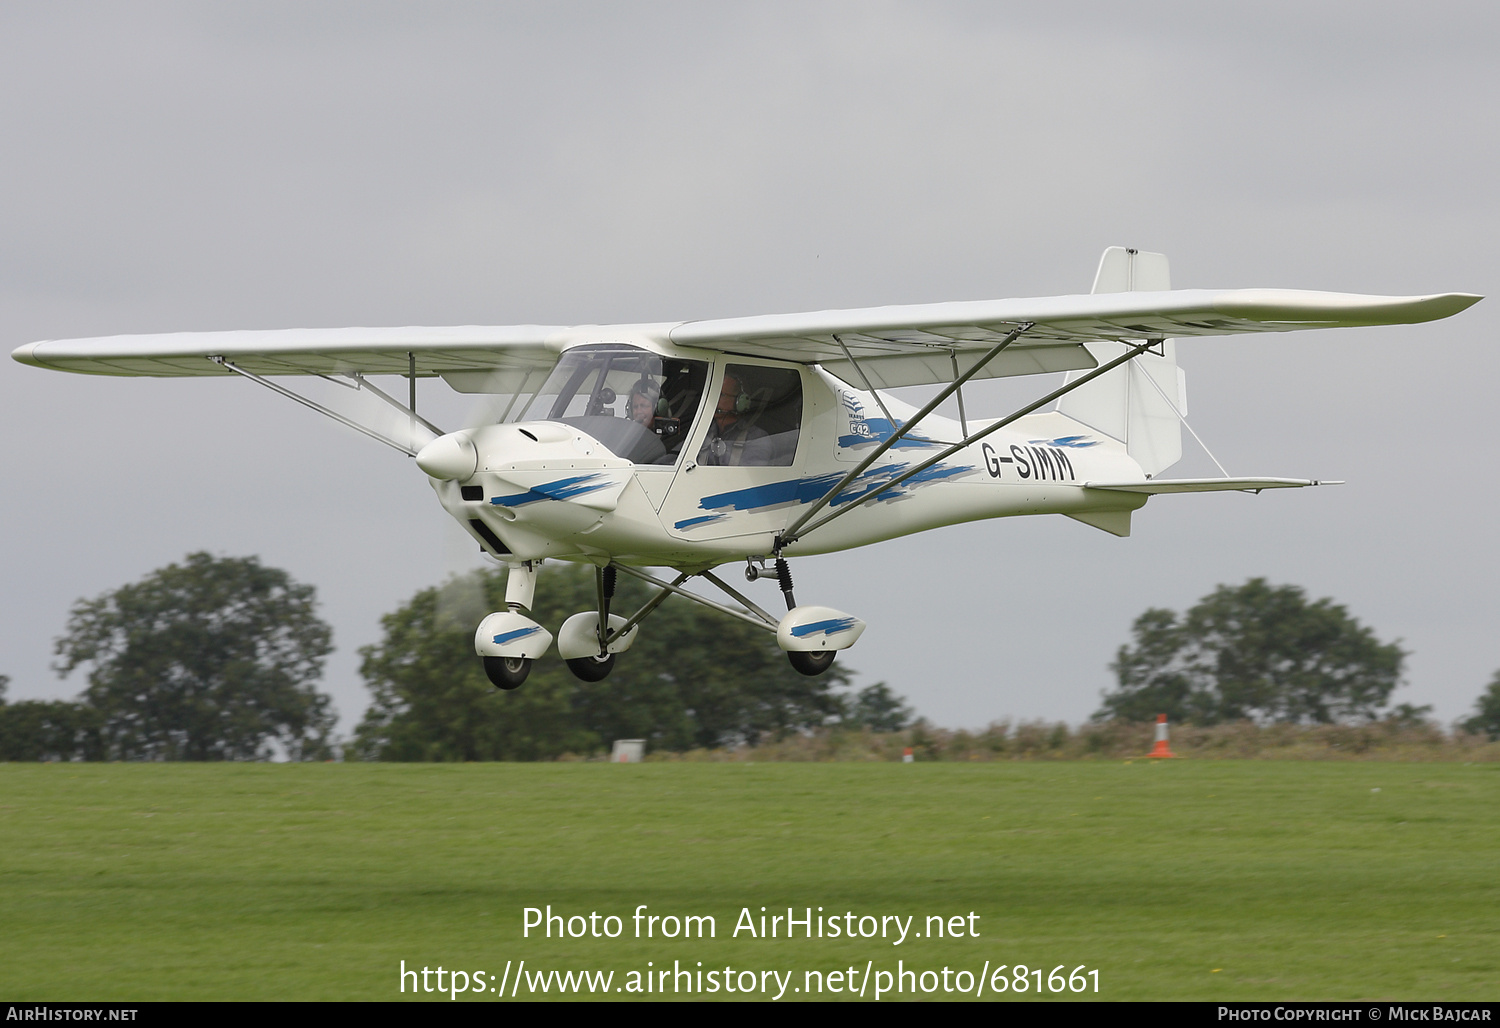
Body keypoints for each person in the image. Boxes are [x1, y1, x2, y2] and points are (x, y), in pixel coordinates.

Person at [697, 372, 772, 466]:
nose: (713, 400)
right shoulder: (700, 432)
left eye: (721, 395)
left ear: (740, 401)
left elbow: (748, 476)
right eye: (712, 394)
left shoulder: (757, 438)